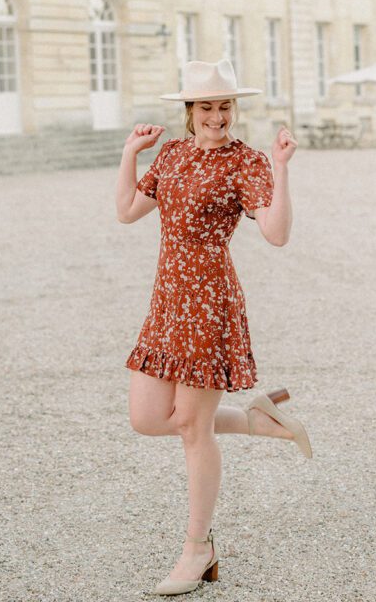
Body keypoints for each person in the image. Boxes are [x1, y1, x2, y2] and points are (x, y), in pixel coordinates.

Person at [115, 58, 312, 596]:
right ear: (190, 111)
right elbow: (129, 210)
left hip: (209, 304)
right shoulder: (173, 153)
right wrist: (131, 153)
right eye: (207, 106)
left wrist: (282, 166)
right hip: (167, 302)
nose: (217, 116)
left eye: (225, 106)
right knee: (147, 417)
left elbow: (275, 233)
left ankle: (198, 550)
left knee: (191, 429)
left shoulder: (244, 162)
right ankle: (256, 417)